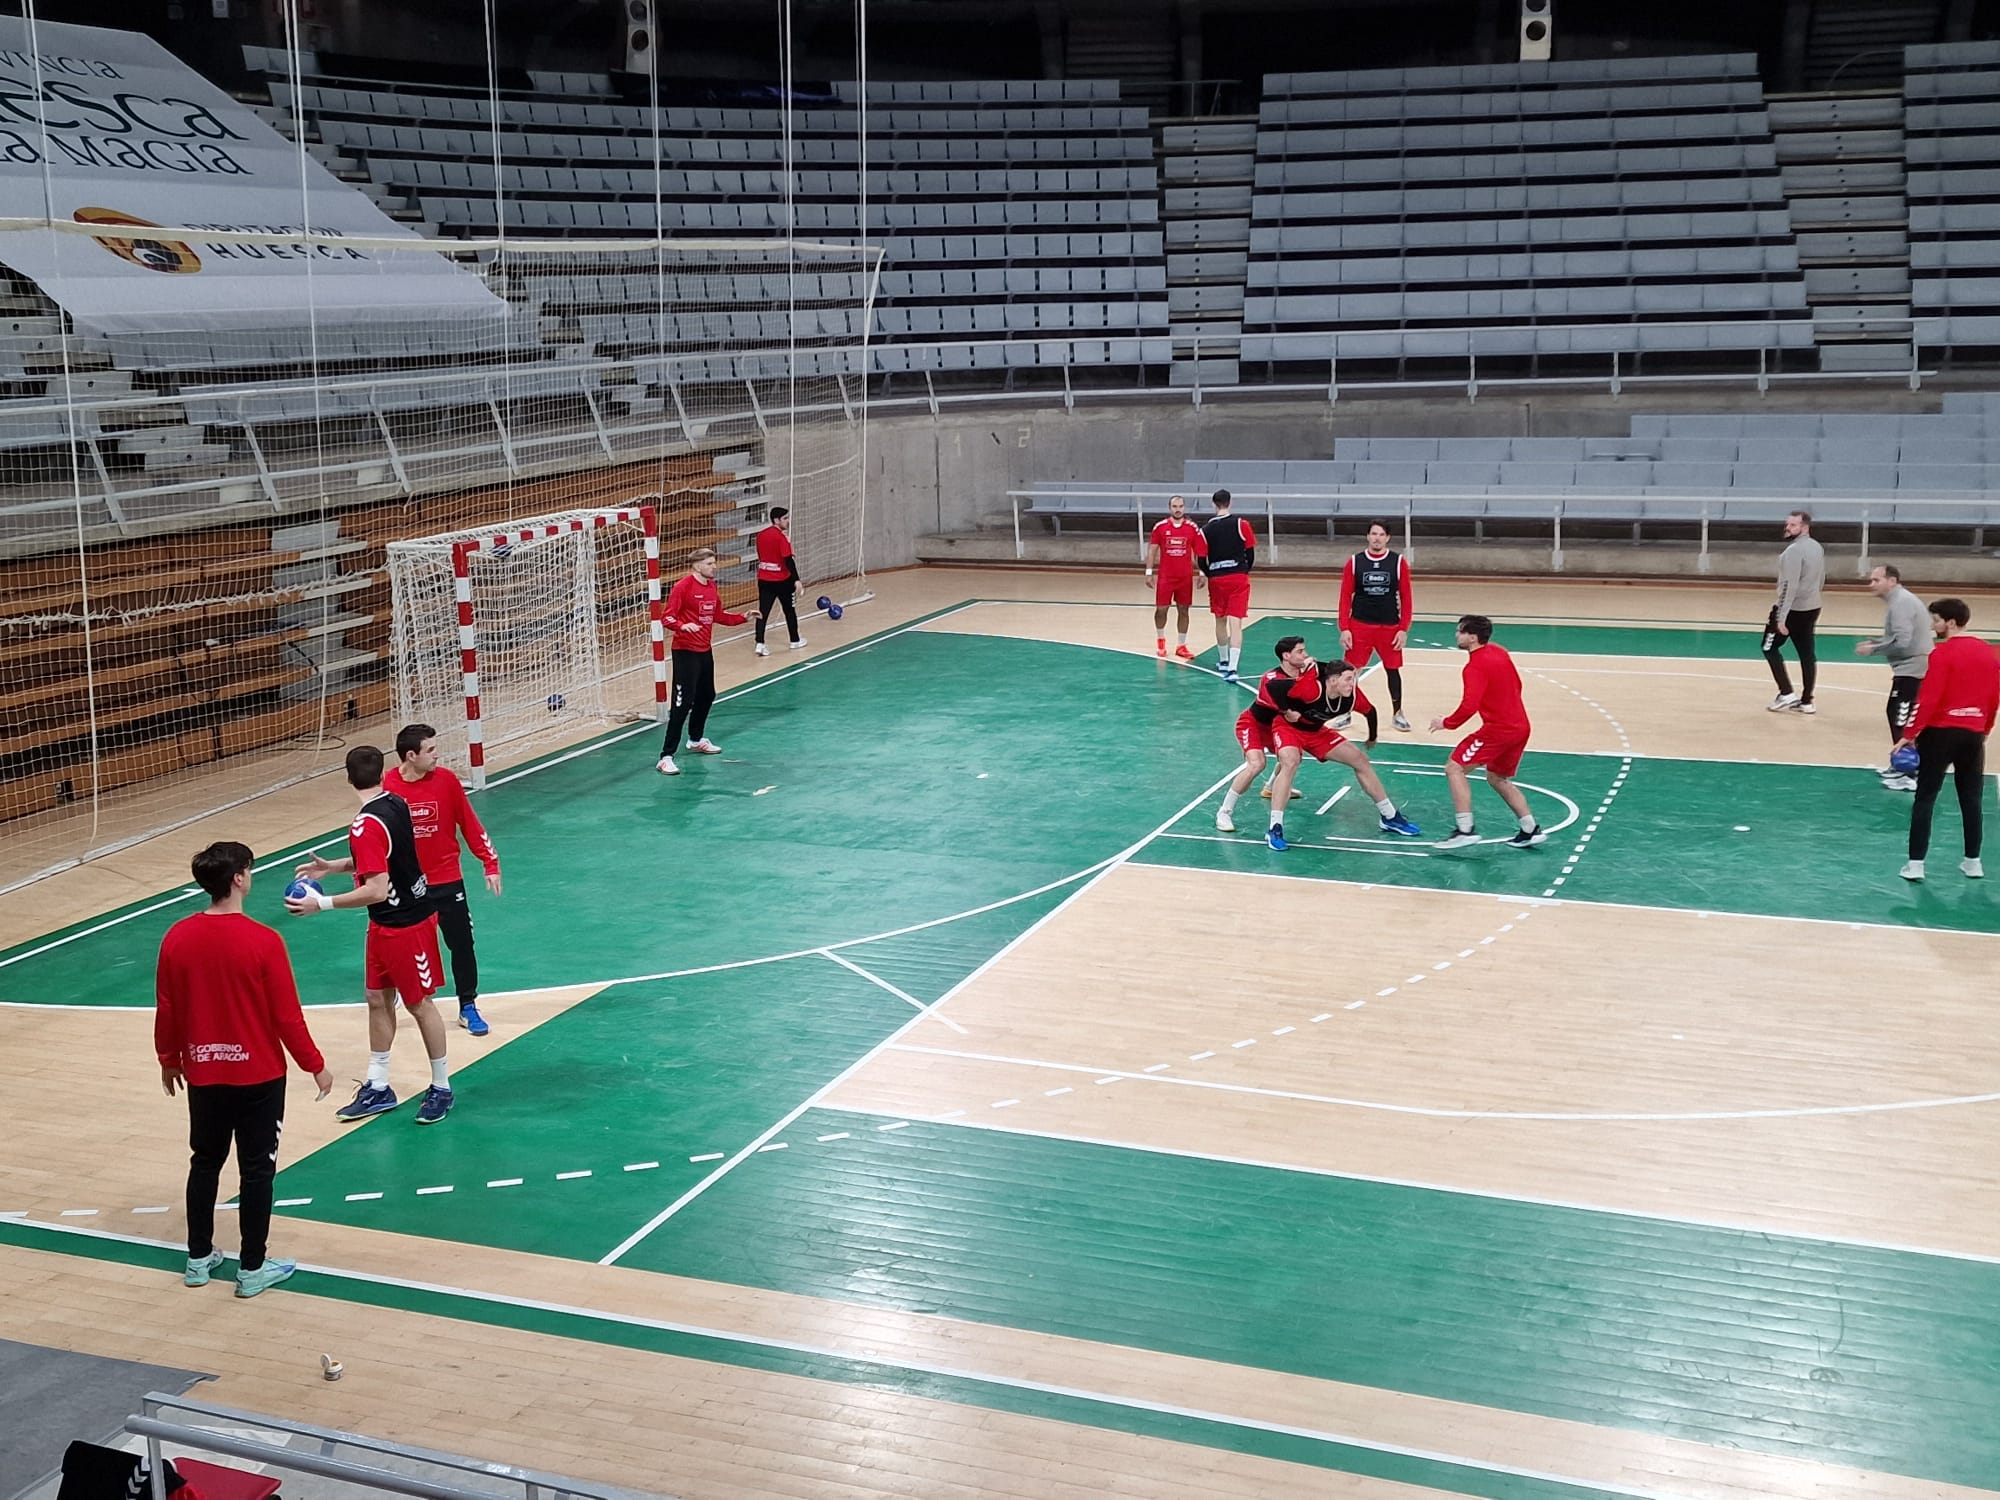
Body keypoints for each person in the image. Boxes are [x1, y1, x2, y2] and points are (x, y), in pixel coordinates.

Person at [156, 840, 333, 1299]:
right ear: (238, 878)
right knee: (257, 1172)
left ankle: (198, 1259)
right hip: (258, 1076)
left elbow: (168, 1006)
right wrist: (315, 1065)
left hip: (204, 1074)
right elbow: (286, 1015)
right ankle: (252, 1268)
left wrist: (169, 1059)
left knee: (205, 1162)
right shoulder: (264, 941)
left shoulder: (177, 937)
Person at [288, 746, 455, 1125]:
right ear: (383, 773)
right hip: (385, 924)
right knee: (377, 998)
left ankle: (442, 1087)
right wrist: (333, 867)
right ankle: (379, 1086)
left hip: (406, 924)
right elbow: (384, 857)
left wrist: (322, 904)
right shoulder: (395, 802)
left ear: (347, 779)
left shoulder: (364, 825)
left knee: (419, 1004)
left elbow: (376, 888)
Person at [384, 724, 502, 1037]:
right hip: (406, 883)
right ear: (411, 755)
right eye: (431, 750)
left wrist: (490, 862)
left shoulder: (447, 781)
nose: (438, 755)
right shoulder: (388, 785)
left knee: (462, 943)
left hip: (447, 879)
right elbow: (377, 837)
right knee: (401, 945)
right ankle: (397, 993)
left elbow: (469, 823)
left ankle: (468, 1005)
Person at [1262, 657, 1423, 851]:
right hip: (1288, 727)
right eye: (1348, 679)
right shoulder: (1311, 688)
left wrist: (1372, 737)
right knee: (1290, 762)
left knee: (1361, 760)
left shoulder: (1352, 696)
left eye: (1353, 678)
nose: (1352, 683)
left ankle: (1389, 817)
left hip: (1316, 732)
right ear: (1333, 680)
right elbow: (1273, 687)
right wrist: (1286, 710)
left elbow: (1370, 712)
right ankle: (1275, 828)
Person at [1894, 597, 1998, 882]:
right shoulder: (1990, 653)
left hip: (1940, 734)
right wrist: (1985, 728)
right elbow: (1993, 696)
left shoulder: (1941, 654)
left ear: (1950, 622)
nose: (1933, 625)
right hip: (1973, 734)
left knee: (1925, 798)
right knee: (1972, 799)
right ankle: (1973, 862)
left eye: (1936, 620)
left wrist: (1909, 735)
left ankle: (1915, 865)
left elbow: (1929, 698)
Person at [1430, 614, 1546, 850]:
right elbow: (1517, 684)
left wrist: (1447, 723)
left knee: (1454, 768)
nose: (1456, 635)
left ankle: (1465, 830)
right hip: (1520, 726)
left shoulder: (1474, 666)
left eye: (1460, 631)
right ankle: (1530, 829)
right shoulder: (1499, 652)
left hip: (1499, 730)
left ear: (1472, 637)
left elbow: (1469, 705)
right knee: (1497, 778)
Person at [657, 547, 757, 776]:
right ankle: (666, 757)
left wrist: (743, 617)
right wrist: (683, 626)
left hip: (704, 650)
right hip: (685, 652)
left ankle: (695, 739)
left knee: (707, 695)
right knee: (682, 705)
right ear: (697, 566)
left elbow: (718, 615)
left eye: (714, 563)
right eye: (710, 563)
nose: (714, 567)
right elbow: (667, 617)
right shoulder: (683, 587)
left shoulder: (711, 586)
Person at [1217, 636, 1311, 834]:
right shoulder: (1271, 679)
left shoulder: (1305, 672)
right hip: (1253, 725)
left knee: (1292, 757)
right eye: (1300, 652)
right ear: (1286, 656)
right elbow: (1288, 705)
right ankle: (1224, 812)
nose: (1306, 655)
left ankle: (1271, 787)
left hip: (1276, 726)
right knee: (1257, 764)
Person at [1854, 563, 1931, 791]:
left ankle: (1908, 772)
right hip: (1908, 668)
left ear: (1892, 581)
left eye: (1876, 580)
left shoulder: (1901, 604)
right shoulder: (1900, 601)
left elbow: (1903, 641)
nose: (1871, 585)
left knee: (1902, 718)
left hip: (1913, 668)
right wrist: (1878, 642)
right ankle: (1901, 764)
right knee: (1896, 713)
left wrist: (1874, 649)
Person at [1339, 520, 1415, 731]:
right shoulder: (1355, 562)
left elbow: (1407, 598)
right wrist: (1344, 627)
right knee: (1350, 672)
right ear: (1368, 536)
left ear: (1387, 538)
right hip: (1360, 625)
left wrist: (1403, 629)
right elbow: (1345, 596)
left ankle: (1397, 713)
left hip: (1389, 627)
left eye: (1381, 534)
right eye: (1373, 534)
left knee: (1393, 671)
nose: (1377, 538)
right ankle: (1345, 712)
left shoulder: (1398, 562)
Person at [1763, 509, 1825, 713]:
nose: (1787, 527)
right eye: (1787, 524)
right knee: (1807, 653)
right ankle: (1807, 701)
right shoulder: (1817, 547)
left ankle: (1786, 693)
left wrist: (1781, 616)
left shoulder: (1793, 551)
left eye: (1793, 525)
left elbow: (1789, 585)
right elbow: (1821, 578)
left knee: (1769, 647)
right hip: (1812, 607)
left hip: (1793, 610)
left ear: (1804, 527)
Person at [1197, 488, 1256, 682]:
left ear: (1214, 504)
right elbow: (1250, 552)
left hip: (1217, 579)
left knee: (1219, 620)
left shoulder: (1204, 530)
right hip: (1238, 576)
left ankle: (1223, 660)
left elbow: (1201, 559)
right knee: (1236, 623)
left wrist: (1210, 573)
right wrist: (1244, 569)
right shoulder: (1242, 524)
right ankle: (1232, 667)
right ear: (1230, 503)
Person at [1145, 493, 1206, 659]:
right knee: (1161, 610)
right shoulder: (1160, 527)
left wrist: (1202, 572)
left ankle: (1181, 645)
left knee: (1184, 610)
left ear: (1184, 508)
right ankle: (1160, 641)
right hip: (1166, 577)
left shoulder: (1192, 528)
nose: (1178, 510)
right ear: (1169, 508)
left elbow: (1199, 552)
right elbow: (1152, 550)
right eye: (1175, 506)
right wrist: (1149, 572)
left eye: (1180, 507)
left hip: (1185, 578)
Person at [753, 506, 804, 657]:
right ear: (776, 520)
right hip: (782, 580)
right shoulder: (782, 538)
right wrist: (796, 580)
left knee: (763, 611)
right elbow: (788, 560)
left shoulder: (760, 535)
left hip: (764, 579)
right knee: (789, 610)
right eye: (785, 519)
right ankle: (795, 640)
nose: (788, 521)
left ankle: (760, 643)